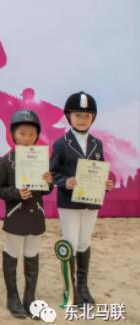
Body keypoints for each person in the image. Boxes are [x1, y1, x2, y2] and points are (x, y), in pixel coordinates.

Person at [50, 92, 114, 306]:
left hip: (91, 202)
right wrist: (64, 181)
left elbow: (99, 170)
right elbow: (52, 173)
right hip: (69, 203)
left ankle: (83, 286)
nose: (82, 119)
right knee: (71, 242)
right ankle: (71, 288)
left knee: (84, 243)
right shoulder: (61, 143)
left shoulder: (97, 144)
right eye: (78, 115)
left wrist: (105, 184)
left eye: (87, 116)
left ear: (93, 117)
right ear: (69, 116)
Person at [0, 109, 53, 318]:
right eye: (22, 133)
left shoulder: (42, 159)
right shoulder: (6, 161)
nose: (27, 138)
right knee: (12, 253)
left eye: (31, 134)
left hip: (36, 215)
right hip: (16, 215)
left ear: (37, 135)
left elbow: (46, 190)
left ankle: (30, 296)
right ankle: (12, 296)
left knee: (32, 254)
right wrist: (15, 193)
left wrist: (49, 182)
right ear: (13, 134)